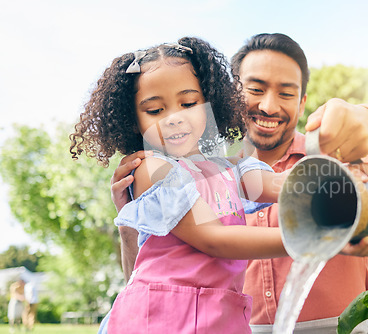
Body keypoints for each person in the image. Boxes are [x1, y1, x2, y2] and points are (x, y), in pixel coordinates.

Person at [110, 33, 368, 333]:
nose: (269, 104)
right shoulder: (169, 169)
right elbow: (174, 260)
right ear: (233, 96)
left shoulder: (340, 153)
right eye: (256, 89)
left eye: (287, 93)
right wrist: (131, 220)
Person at [69, 36, 324, 333]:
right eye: (155, 110)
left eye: (188, 103)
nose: (174, 118)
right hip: (161, 320)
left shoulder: (231, 168)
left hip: (216, 317)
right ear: (133, 120)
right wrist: (310, 237)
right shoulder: (152, 170)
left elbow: (281, 184)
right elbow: (214, 238)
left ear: (208, 104)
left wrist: (341, 188)